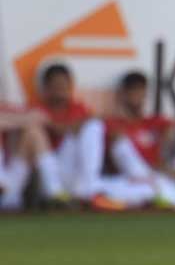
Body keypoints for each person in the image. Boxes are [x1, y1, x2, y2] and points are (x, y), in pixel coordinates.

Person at [105, 71, 175, 208]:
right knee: (121, 146)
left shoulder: (154, 122)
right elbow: (118, 156)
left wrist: (174, 130)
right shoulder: (114, 124)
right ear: (123, 94)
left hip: (162, 175)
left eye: (141, 91)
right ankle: (146, 193)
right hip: (136, 178)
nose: (137, 96)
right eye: (133, 91)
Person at [32, 63, 118, 209]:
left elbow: (96, 123)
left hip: (74, 173)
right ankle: (58, 195)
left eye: (64, 84)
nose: (61, 89)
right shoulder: (38, 108)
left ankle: (88, 189)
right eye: (57, 85)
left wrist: (80, 124)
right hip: (50, 172)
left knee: (94, 126)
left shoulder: (78, 107)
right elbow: (58, 130)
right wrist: (75, 125)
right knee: (89, 125)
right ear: (46, 87)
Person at [0, 104, 53, 210]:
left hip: (11, 175)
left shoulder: (8, 107)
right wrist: (24, 120)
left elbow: (42, 116)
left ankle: (55, 192)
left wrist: (13, 121)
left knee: (34, 132)